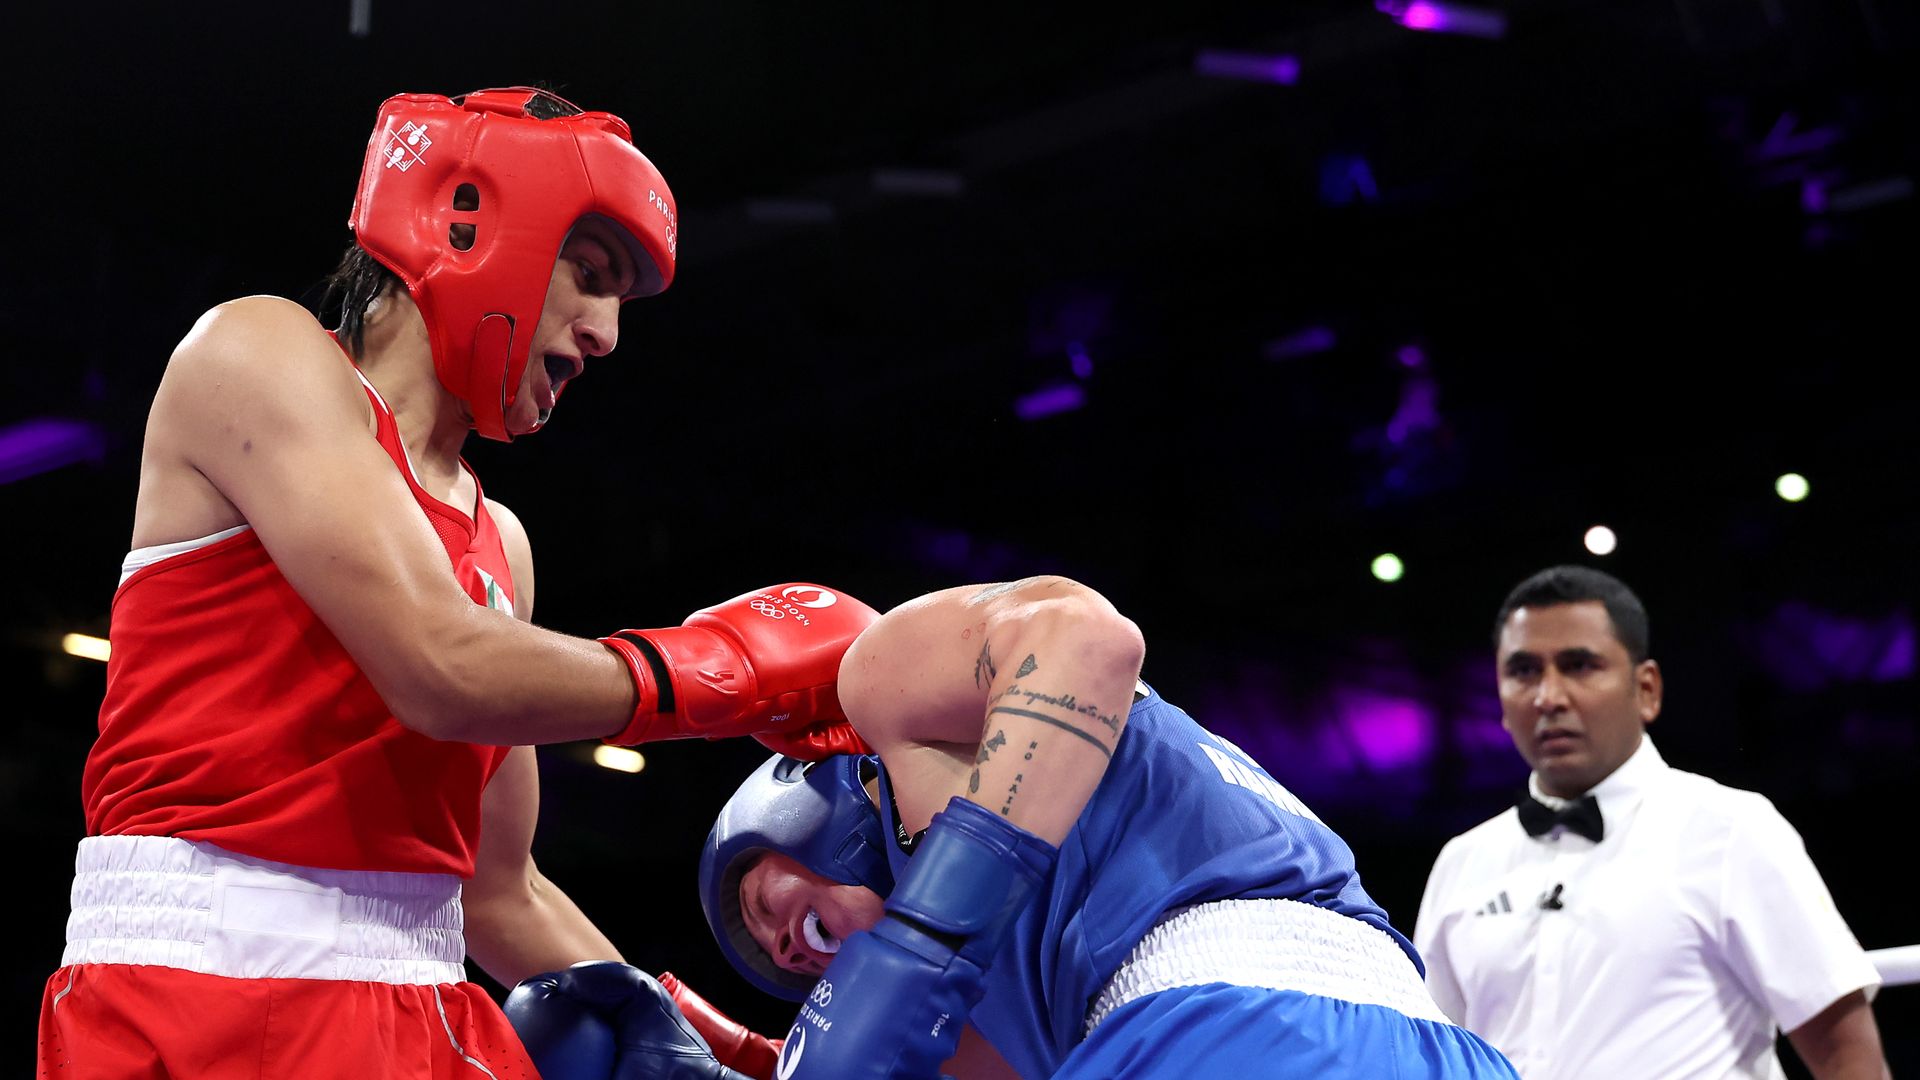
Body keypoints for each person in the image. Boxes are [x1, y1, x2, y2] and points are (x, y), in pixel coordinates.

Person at [36, 86, 874, 1079]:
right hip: (204, 990)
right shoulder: (255, 354)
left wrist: (693, 1043)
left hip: (424, 1005)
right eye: (591, 273)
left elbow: (495, 890)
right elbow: (438, 665)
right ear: (467, 224)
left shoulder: (498, 546)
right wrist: (716, 673)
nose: (605, 333)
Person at [683, 577, 1520, 1078]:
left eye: (762, 908)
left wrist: (921, 940)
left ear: (803, 810)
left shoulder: (890, 697)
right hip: (1438, 1048)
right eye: (777, 966)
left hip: (1230, 1024)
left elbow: (1087, 637)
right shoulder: (995, 978)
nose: (786, 953)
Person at [1413, 564, 1888, 1079]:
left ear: (1647, 689)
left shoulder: (1731, 829)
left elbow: (1848, 1057)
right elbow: (1434, 1060)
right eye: (1524, 671)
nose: (1548, 697)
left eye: (1579, 665)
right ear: (1501, 699)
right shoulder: (1462, 862)